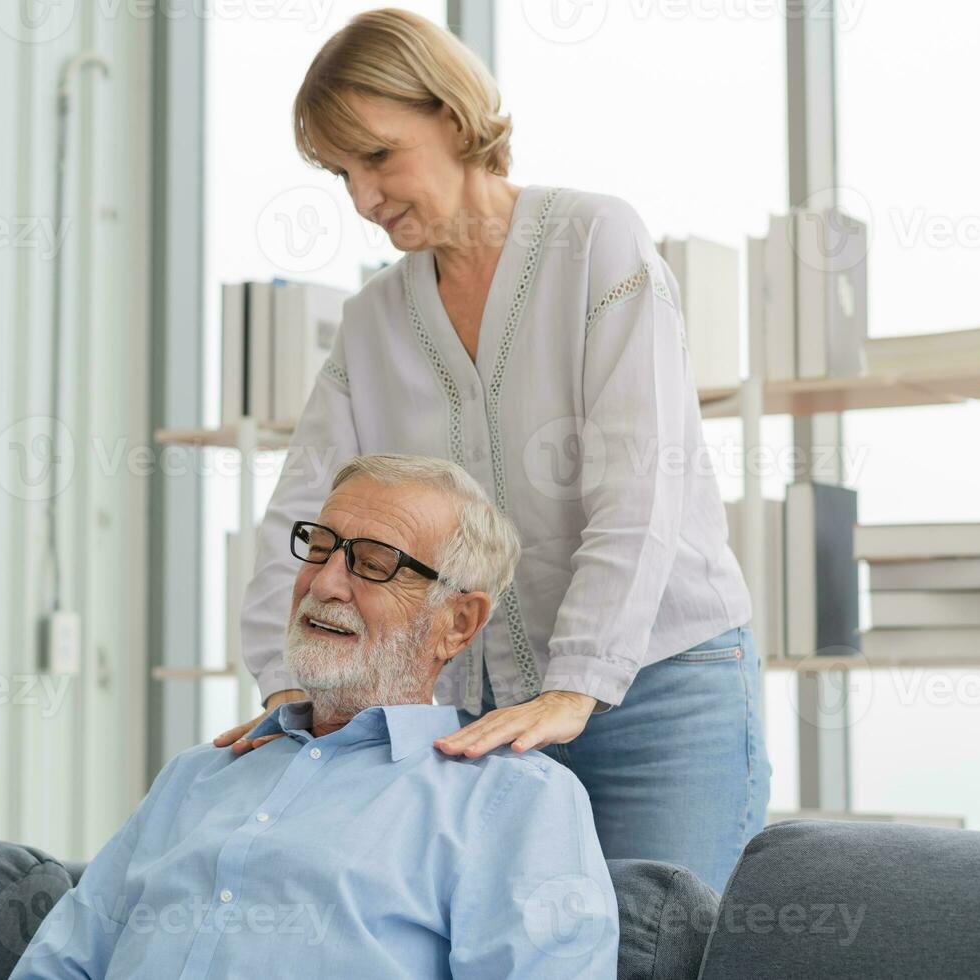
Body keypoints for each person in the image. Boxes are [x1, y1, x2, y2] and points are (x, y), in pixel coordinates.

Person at [214, 8, 770, 894]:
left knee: (665, 947)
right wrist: (290, 685)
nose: (361, 198)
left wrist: (577, 683)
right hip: (474, 712)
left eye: (379, 156)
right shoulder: (373, 323)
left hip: (662, 691)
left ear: (453, 114)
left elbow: (638, 483)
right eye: (340, 172)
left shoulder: (596, 243)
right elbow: (305, 512)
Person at [10, 454, 619, 979]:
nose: (325, 582)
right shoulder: (197, 776)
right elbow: (63, 962)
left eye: (375, 562)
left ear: (457, 623)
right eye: (322, 547)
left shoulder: (514, 801)